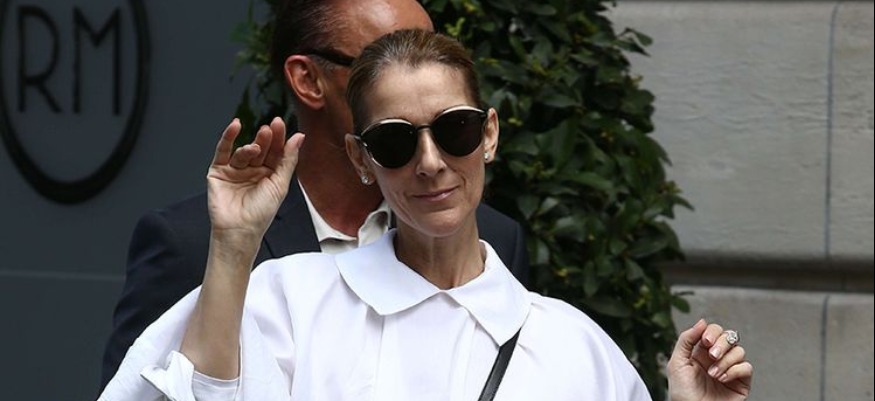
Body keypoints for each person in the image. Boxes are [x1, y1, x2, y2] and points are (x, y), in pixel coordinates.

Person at [98, 29, 751, 401]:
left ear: (489, 134)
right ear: (361, 158)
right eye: (395, 141)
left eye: (455, 129)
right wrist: (233, 244)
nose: (431, 162)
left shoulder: (574, 346)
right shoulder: (287, 300)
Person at [99, 0, 529, 390]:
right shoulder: (198, 245)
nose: (414, 69)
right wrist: (232, 250)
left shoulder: (493, 240)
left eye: (429, 47)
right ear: (308, 79)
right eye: (381, 57)